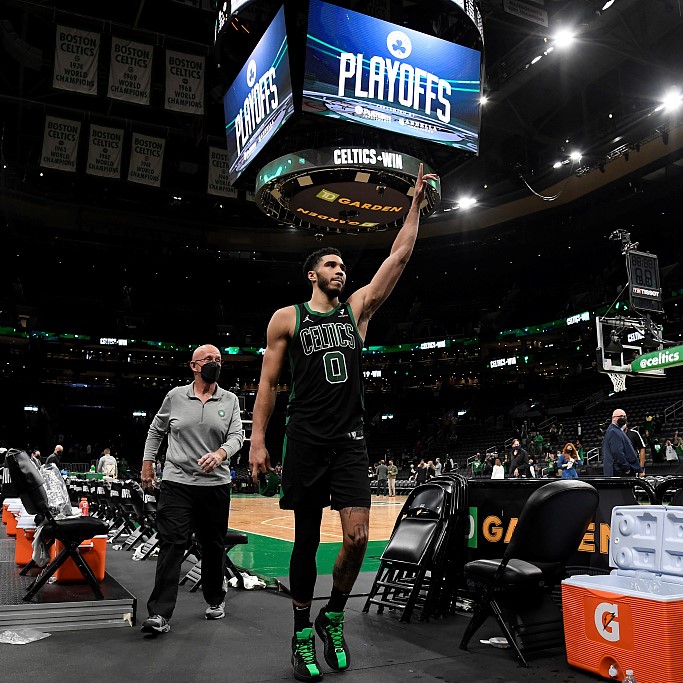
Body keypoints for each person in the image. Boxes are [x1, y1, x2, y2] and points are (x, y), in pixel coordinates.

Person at [248, 165, 437, 681]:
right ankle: (301, 631)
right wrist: (257, 440)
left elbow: (398, 257)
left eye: (341, 265)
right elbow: (267, 384)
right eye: (331, 265)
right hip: (304, 439)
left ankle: (334, 615)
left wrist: (415, 206)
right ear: (312, 274)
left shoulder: (357, 311)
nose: (340, 270)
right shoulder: (287, 318)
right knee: (305, 541)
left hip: (350, 440)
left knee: (356, 537)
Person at [139, 344, 243, 635]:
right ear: (194, 366)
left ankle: (215, 598)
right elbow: (156, 430)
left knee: (212, 546)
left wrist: (221, 454)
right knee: (172, 543)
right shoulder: (175, 396)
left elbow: (237, 436)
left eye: (219, 360)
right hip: (177, 483)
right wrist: (148, 463)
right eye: (209, 359)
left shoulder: (230, 399)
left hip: (215, 486)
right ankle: (159, 614)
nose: (215, 363)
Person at [602, 409, 642, 477]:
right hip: (619, 472)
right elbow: (617, 452)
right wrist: (626, 468)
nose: (623, 418)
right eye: (620, 416)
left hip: (618, 470)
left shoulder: (616, 430)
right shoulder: (613, 431)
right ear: (613, 418)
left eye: (624, 416)